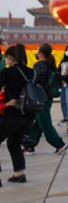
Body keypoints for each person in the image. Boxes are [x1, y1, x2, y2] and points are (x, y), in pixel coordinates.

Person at [0, 44, 37, 183]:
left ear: (10, 57)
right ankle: (19, 173)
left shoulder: (7, 72)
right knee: (14, 142)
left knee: (12, 141)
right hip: (28, 115)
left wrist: (6, 103)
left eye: (6, 57)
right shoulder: (31, 72)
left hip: (12, 114)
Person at [25, 43, 68, 155]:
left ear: (41, 53)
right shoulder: (50, 65)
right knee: (39, 123)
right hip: (47, 98)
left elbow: (36, 82)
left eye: (37, 50)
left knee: (45, 123)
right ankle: (29, 146)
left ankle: (59, 144)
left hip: (40, 98)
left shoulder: (39, 65)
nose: (36, 52)